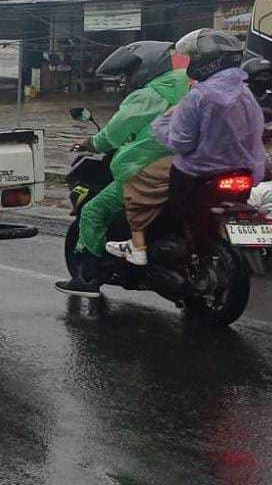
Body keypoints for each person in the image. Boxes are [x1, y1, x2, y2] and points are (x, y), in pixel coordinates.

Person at [56, 41, 189, 298]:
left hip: (147, 169)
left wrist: (90, 143)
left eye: (128, 74)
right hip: (190, 167)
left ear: (145, 68)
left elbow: (114, 135)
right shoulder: (190, 85)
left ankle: (88, 278)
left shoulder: (148, 96)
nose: (126, 80)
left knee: (94, 211)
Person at [152, 29, 267, 196]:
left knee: (176, 217)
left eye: (193, 57)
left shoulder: (198, 96)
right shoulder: (245, 93)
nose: (190, 62)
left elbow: (181, 143)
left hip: (197, 176)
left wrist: (164, 123)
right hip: (243, 173)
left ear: (207, 60)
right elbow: (256, 131)